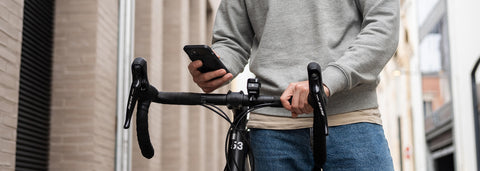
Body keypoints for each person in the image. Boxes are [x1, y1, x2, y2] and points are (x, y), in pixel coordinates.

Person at [188, 0, 399, 170]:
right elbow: (231, 40)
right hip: (273, 130)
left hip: (352, 121)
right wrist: (217, 66)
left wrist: (328, 81)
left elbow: (383, 28)